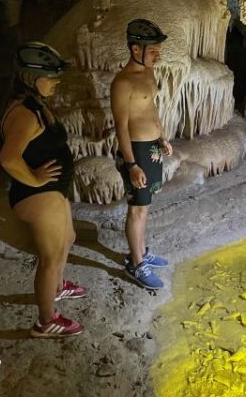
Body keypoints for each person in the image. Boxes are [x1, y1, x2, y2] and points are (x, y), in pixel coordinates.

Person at [0, 42, 86, 338]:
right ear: (32, 78)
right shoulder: (24, 113)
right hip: (36, 195)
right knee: (50, 258)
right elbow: (8, 157)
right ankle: (45, 320)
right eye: (52, 77)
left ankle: (57, 289)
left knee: (68, 239)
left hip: (51, 191)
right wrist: (35, 179)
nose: (57, 82)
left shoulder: (34, 105)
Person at [111, 19, 173, 291]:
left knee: (145, 205)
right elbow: (121, 127)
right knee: (137, 209)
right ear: (135, 49)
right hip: (135, 151)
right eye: (153, 50)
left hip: (151, 147)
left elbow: (151, 109)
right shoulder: (122, 83)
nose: (157, 55)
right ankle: (136, 264)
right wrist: (131, 164)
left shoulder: (148, 73)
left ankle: (141, 252)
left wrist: (161, 137)